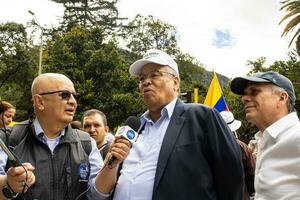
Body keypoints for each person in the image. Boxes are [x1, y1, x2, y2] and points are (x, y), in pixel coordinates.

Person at [112, 49, 244, 200]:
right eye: (142, 78)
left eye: (155, 74)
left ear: (175, 82)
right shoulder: (135, 128)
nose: (146, 82)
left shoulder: (202, 116)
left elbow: (231, 177)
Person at [0, 73, 131, 200]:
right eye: (65, 95)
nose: (73, 101)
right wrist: (8, 184)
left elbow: (96, 195)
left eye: (75, 96)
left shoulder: (86, 143)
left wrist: (110, 166)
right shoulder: (8, 139)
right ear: (39, 101)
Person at [230, 71, 300, 199]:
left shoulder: (296, 137)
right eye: (245, 94)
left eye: (254, 92)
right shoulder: (265, 139)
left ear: (282, 98)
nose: (244, 98)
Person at [220, 111, 255, 200]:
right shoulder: (242, 147)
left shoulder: (209, 145)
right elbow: (251, 173)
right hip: (240, 195)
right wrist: (251, 191)